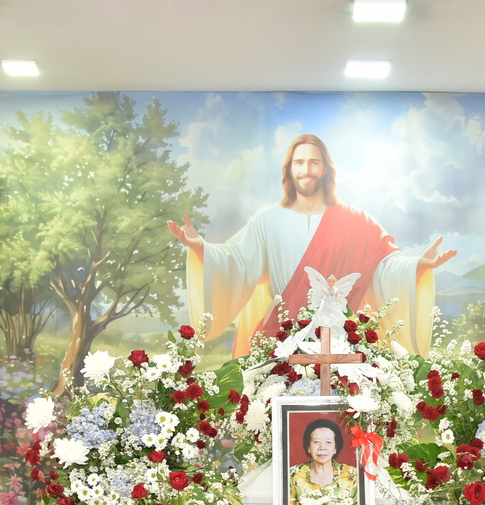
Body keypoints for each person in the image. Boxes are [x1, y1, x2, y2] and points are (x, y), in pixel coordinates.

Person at [169, 133, 456, 356]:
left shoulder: (357, 221)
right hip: (282, 335)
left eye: (313, 162)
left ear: (326, 168)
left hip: (340, 339)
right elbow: (237, 261)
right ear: (289, 169)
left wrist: (419, 265)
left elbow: (385, 266)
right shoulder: (268, 219)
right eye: (299, 162)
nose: (305, 169)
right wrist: (201, 248)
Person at [287, 419, 358, 505]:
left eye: (328, 442)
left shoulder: (353, 475)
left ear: (335, 448)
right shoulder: (292, 475)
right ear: (308, 447)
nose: (322, 447)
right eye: (316, 442)